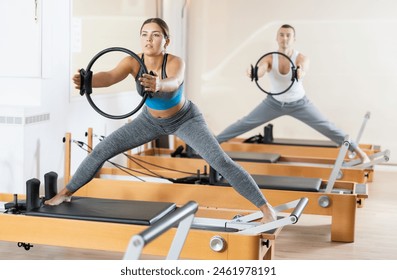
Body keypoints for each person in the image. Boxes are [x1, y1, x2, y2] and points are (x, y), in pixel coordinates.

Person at [45, 18, 276, 223]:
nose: (149, 39)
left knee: (221, 162)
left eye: (155, 35)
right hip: (149, 121)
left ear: (166, 41)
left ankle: (266, 210)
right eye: (145, 34)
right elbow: (110, 77)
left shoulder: (175, 61)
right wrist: (88, 81)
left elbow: (173, 82)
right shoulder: (133, 62)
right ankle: (65, 193)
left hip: (185, 119)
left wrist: (158, 84)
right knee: (101, 151)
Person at [216, 24, 370, 163]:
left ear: (294, 39)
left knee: (328, 127)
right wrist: (254, 73)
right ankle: (210, 143)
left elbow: (302, 68)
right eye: (281, 35)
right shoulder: (270, 58)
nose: (285, 38)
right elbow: (262, 69)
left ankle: (359, 152)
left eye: (288, 35)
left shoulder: (301, 57)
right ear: (277, 38)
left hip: (299, 103)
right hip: (273, 103)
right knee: (244, 123)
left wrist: (300, 73)